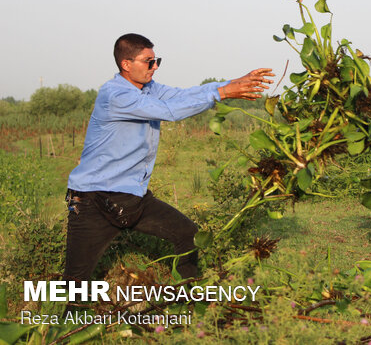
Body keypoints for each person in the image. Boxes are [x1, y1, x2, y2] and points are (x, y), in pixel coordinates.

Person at [63, 33, 274, 281]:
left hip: (132, 197)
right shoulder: (116, 95)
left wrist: (231, 83)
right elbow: (170, 111)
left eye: (156, 61)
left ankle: (186, 299)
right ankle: (67, 318)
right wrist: (223, 93)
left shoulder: (148, 89)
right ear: (126, 64)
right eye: (148, 61)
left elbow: (183, 95)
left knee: (188, 234)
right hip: (94, 201)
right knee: (75, 282)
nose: (154, 68)